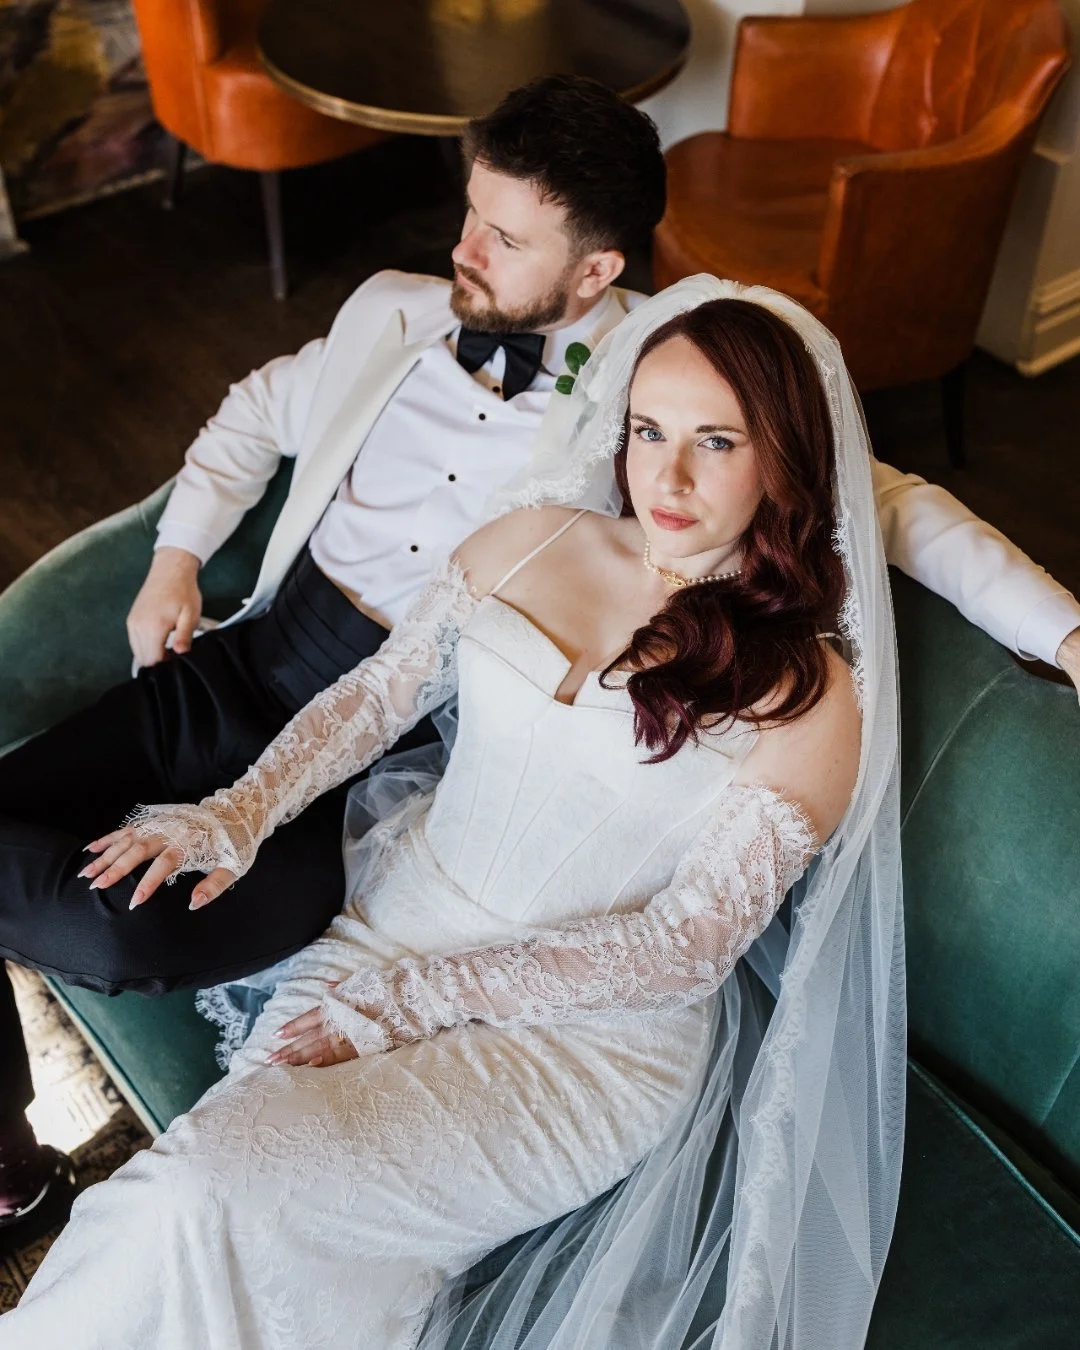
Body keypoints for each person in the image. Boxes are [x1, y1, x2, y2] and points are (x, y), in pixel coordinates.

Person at [0, 74, 1078, 1247]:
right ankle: (10, 1164)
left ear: (597, 271)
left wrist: (1067, 633)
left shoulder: (666, 378)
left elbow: (895, 509)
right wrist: (176, 557)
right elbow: (257, 410)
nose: (461, 247)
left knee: (125, 933)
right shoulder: (394, 308)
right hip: (252, 655)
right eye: (469, 213)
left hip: (385, 747)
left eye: (502, 237)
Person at [1, 277, 900, 1350]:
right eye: (648, 429)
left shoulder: (807, 693)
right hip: (395, 924)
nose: (665, 474)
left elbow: (688, 947)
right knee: (206, 1200)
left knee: (204, 1193)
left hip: (586, 1042)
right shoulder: (532, 538)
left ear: (783, 459)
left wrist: (404, 1008)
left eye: (716, 442)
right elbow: (380, 698)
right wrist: (233, 816)